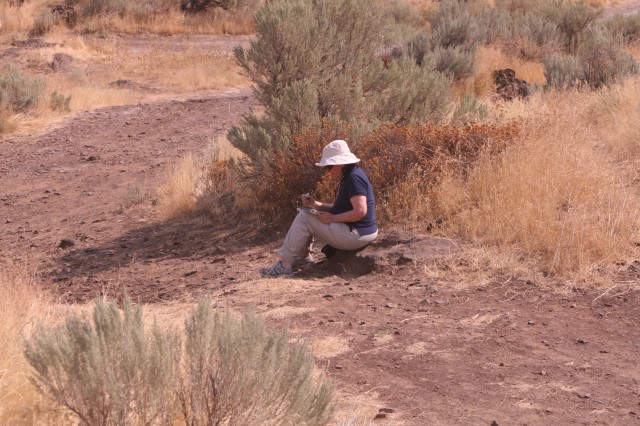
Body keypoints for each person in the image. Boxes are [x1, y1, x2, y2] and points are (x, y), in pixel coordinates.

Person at [260, 139, 378, 277]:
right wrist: (316, 205)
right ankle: (303, 258)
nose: (327, 171)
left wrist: (333, 218)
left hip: (357, 235)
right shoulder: (351, 174)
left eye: (328, 166)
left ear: (339, 163)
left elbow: (360, 211)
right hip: (361, 232)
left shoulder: (353, 179)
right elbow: (345, 208)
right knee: (308, 213)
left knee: (305, 217)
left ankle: (284, 265)